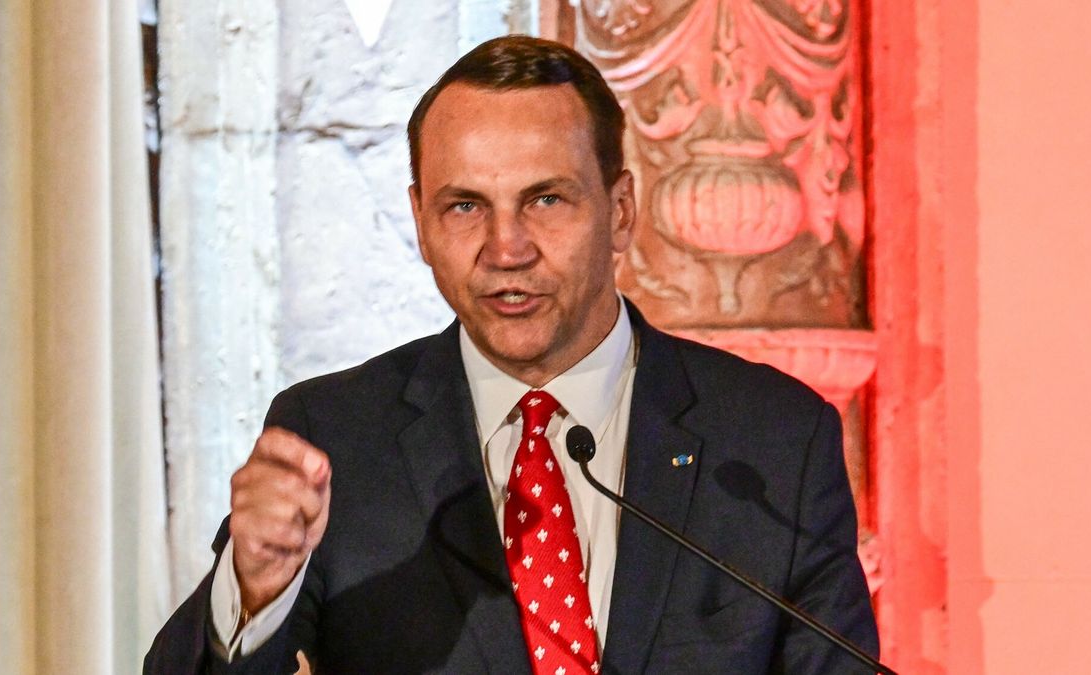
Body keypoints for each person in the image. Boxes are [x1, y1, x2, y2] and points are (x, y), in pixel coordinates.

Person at [145, 35, 878, 674]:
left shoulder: (772, 442)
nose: (506, 249)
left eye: (546, 200)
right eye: (465, 206)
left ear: (620, 212)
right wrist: (254, 587)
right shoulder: (335, 435)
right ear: (422, 225)